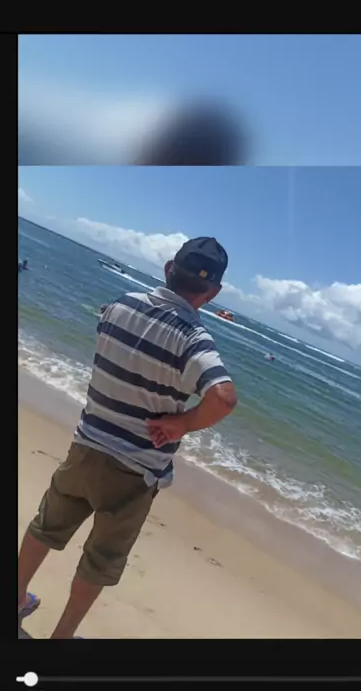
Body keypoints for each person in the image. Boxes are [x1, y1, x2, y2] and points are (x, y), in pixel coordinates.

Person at [18, 237, 238, 638]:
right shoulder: (194, 338)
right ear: (213, 292)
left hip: (87, 444)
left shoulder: (119, 305)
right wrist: (182, 423)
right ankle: (61, 638)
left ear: (170, 268)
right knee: (100, 560)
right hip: (135, 470)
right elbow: (222, 398)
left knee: (45, 527)